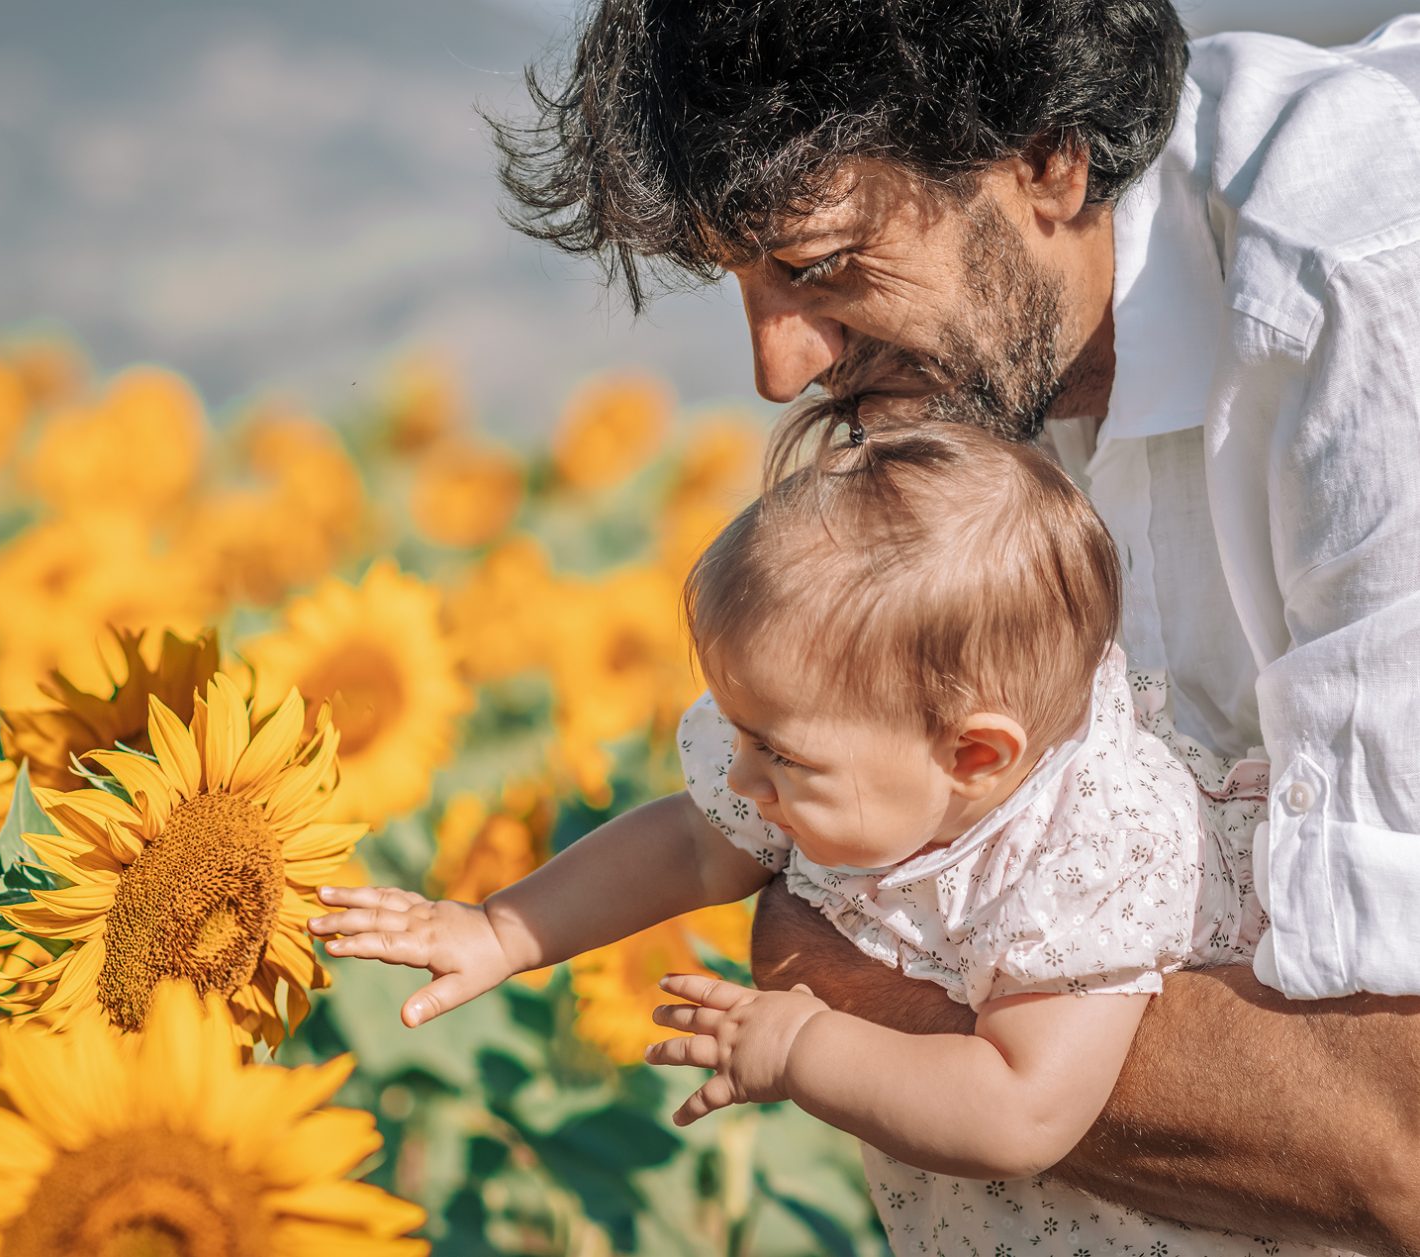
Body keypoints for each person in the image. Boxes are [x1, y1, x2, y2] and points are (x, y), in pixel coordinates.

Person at [476, 1, 1420, 1250]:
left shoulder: (1357, 308)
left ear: (1047, 157)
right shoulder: (984, 378)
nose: (776, 366)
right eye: (744, 284)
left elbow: (1395, 1141)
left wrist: (828, 965)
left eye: (816, 265)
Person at [314, 410, 1339, 1255]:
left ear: (973, 756)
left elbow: (1022, 1112)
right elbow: (689, 842)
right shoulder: (872, 770)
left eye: (779, 756)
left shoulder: (1088, 849)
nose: (743, 781)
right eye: (743, 738)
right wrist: (500, 931)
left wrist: (804, 1044)